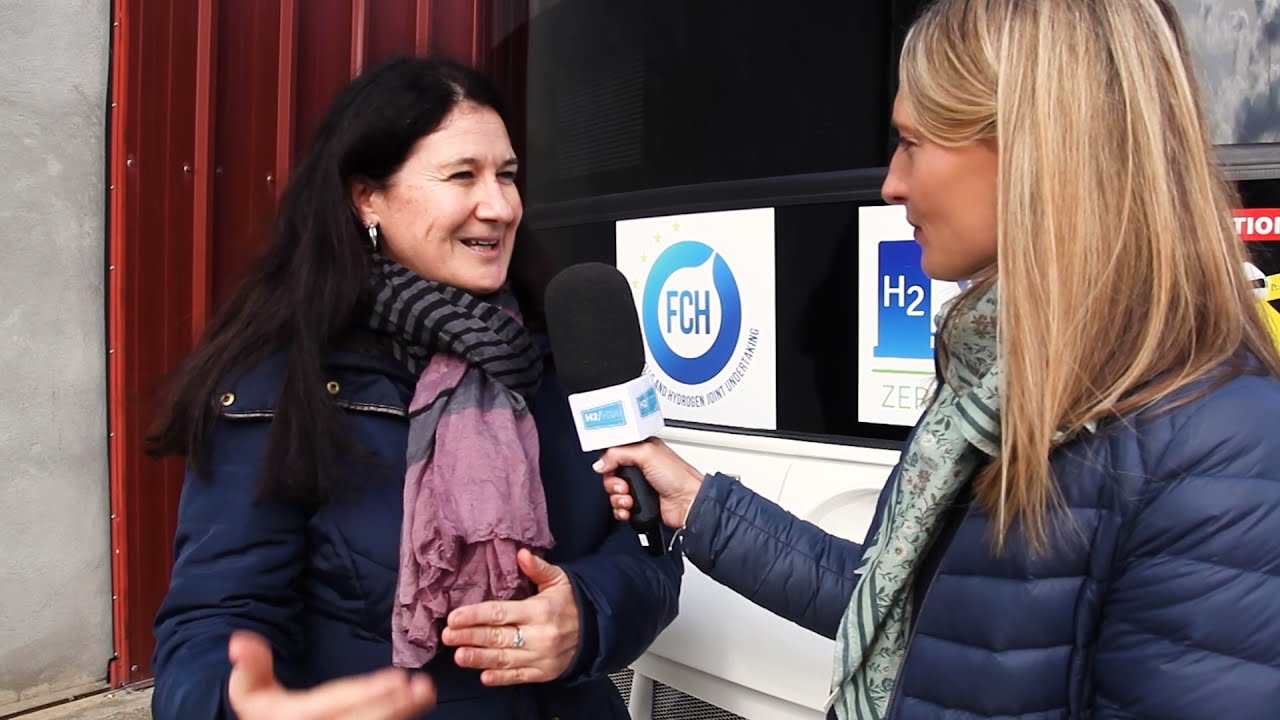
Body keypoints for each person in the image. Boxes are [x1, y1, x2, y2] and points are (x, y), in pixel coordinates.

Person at [599, 1, 1280, 718]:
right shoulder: (993, 381)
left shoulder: (1217, 447)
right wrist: (698, 504)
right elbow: (898, 607)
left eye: (912, 142)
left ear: (1033, 148)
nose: (892, 182)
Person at [147, 56, 682, 720]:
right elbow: (215, 619)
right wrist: (240, 706)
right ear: (366, 197)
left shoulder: (565, 354)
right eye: (463, 175)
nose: (501, 205)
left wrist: (589, 613)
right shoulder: (282, 384)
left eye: (508, 176)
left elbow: (651, 555)